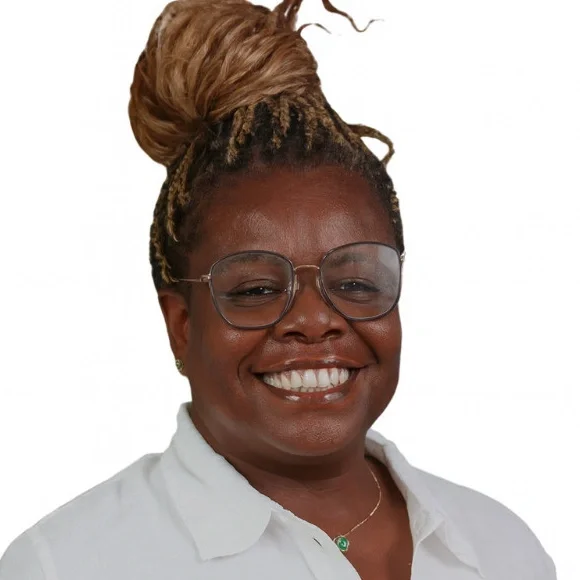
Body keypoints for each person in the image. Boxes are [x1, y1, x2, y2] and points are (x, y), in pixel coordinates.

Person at [0, 1, 557, 579]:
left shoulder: (501, 548)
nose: (315, 320)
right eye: (257, 289)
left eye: (356, 281)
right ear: (181, 327)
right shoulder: (67, 564)